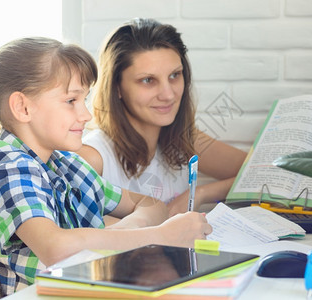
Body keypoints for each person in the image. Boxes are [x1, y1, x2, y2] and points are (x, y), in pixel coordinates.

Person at [0, 37, 211, 295]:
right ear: (23, 107)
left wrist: (124, 230)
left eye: (85, 100)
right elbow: (55, 247)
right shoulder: (7, 169)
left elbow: (151, 205)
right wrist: (159, 236)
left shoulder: (66, 165)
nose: (86, 114)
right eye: (71, 101)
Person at [77, 18, 247, 216]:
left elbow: (260, 174)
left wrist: (201, 193)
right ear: (117, 88)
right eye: (148, 80)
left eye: (175, 75)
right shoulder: (93, 156)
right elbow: (71, 232)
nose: (168, 94)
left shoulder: (185, 140)